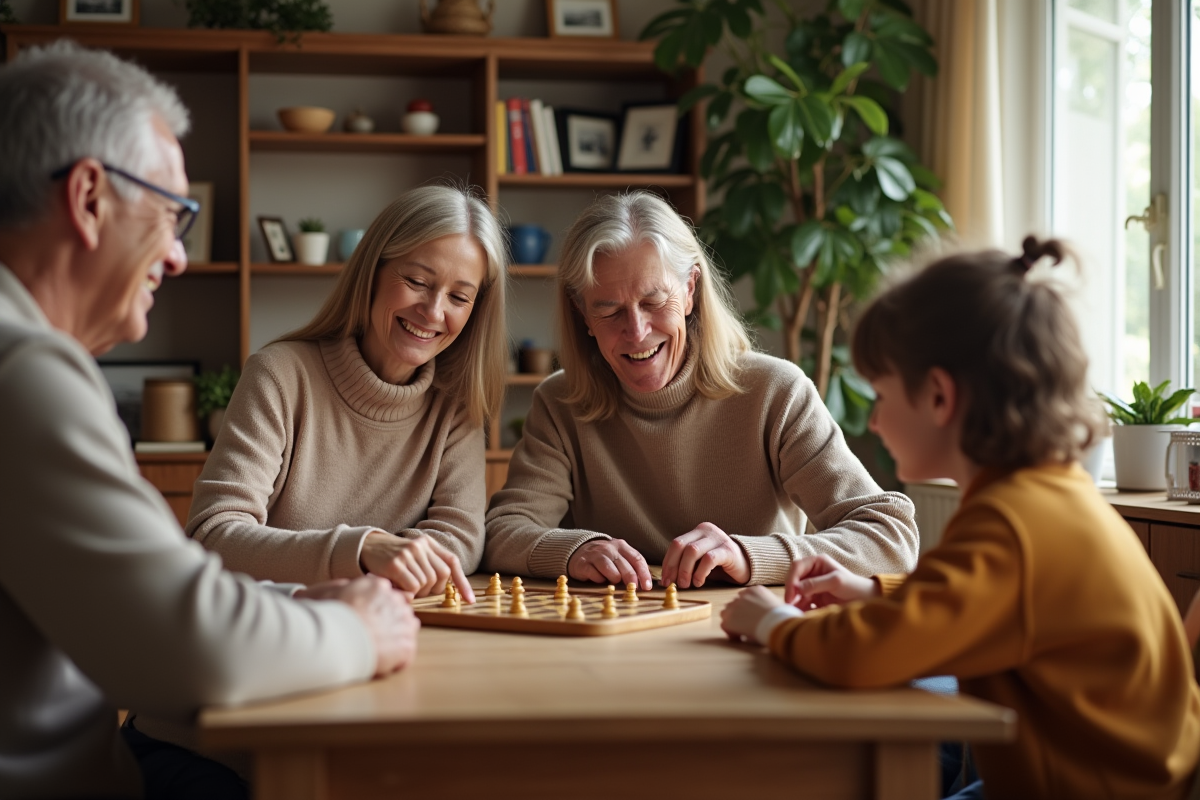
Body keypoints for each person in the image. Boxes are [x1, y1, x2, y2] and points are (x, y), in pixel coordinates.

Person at [0, 42, 418, 799]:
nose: (180, 257)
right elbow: (188, 647)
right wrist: (360, 630)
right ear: (89, 197)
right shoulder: (21, 368)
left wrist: (294, 602)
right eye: (171, 215)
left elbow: (154, 593)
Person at [720, 238, 1200, 799]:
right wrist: (875, 592)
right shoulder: (1045, 493)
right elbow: (982, 603)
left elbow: (865, 655)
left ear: (940, 397)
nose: (872, 422)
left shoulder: (1013, 524)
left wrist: (773, 623)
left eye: (880, 396)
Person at [484, 191, 918, 590]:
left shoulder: (776, 392)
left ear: (690, 290)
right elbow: (503, 532)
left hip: (750, 632)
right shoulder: (560, 403)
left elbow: (890, 538)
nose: (636, 332)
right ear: (582, 315)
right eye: (609, 309)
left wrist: (750, 555)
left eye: (654, 302)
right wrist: (575, 550)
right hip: (616, 639)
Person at [185, 185, 507, 602]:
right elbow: (213, 534)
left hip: (399, 625)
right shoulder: (280, 375)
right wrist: (362, 550)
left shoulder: (457, 405)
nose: (433, 311)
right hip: (277, 626)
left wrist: (392, 561)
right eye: (416, 281)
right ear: (371, 273)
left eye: (459, 297)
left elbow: (460, 537)